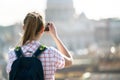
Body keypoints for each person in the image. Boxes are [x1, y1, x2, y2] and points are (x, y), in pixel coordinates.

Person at [6, 12, 73, 80]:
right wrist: (55, 37)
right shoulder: (51, 53)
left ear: (23, 28)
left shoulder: (12, 54)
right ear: (42, 30)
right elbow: (70, 61)